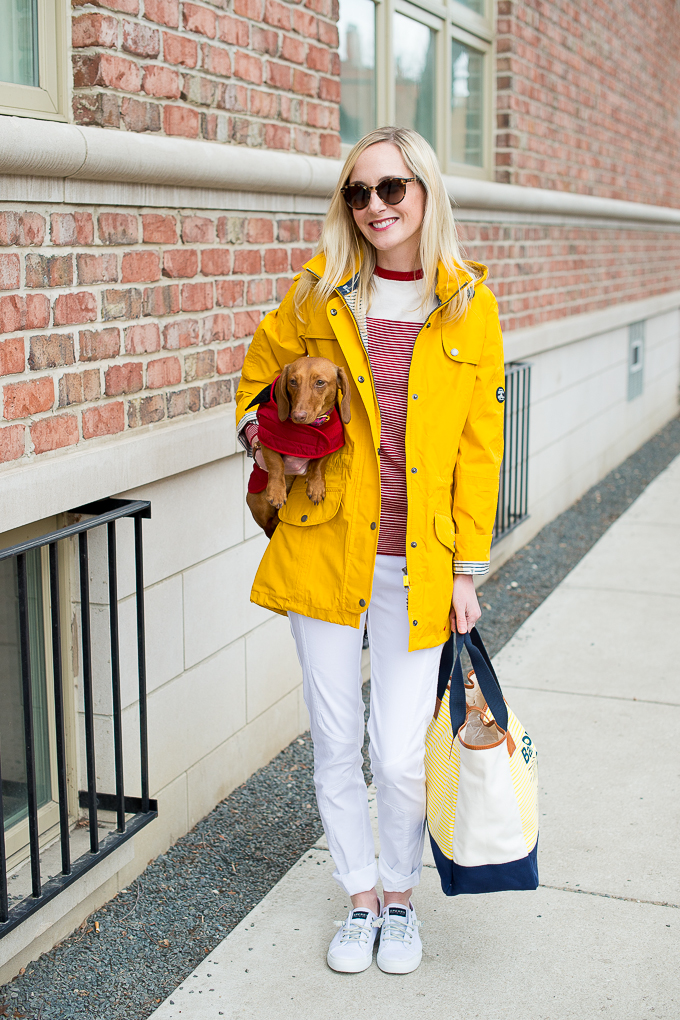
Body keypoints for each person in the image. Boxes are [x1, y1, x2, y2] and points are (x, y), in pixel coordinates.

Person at [235, 126, 505, 974]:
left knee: (397, 752)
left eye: (391, 188)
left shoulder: (468, 305)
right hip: (322, 546)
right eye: (358, 192)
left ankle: (400, 896)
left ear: (425, 191)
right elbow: (254, 384)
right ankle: (359, 898)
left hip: (417, 565)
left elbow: (478, 448)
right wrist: (266, 435)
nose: (375, 207)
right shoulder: (319, 293)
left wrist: (466, 568)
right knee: (332, 735)